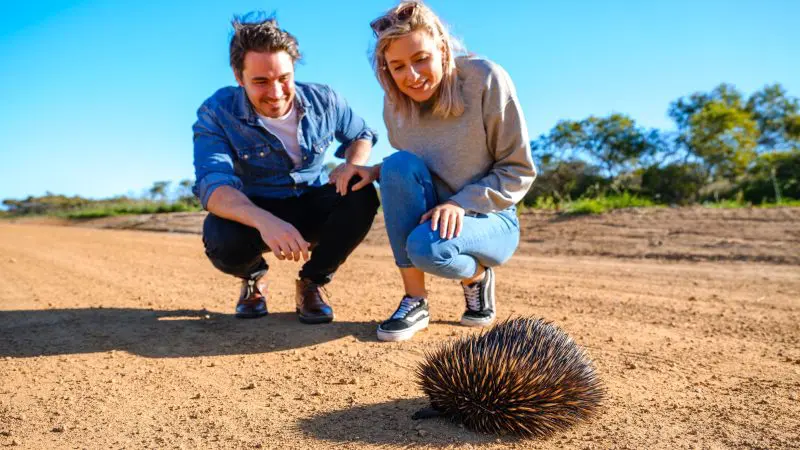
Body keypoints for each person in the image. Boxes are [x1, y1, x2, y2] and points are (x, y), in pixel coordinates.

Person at [350, 1, 536, 341]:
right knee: (395, 164)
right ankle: (414, 300)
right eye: (398, 66)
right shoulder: (395, 104)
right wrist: (373, 170)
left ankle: (476, 278)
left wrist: (460, 203)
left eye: (421, 58)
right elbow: (414, 164)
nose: (412, 76)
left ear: (442, 47)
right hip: (435, 213)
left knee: (426, 249)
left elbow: (518, 168)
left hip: (490, 217)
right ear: (386, 69)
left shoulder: (485, 79)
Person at [192, 14, 380, 323]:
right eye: (261, 82)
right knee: (219, 235)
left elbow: (361, 134)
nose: (276, 93)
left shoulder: (325, 100)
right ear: (239, 77)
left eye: (284, 78)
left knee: (361, 192)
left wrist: (352, 164)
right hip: (255, 210)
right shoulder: (216, 112)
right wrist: (264, 221)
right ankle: (253, 278)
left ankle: (312, 283)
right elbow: (213, 184)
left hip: (312, 204)